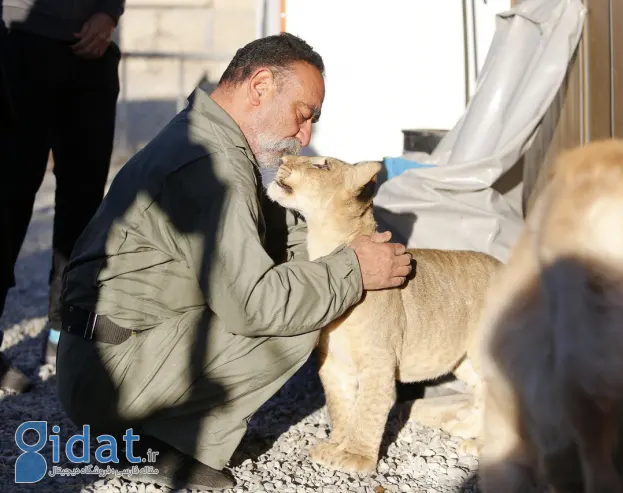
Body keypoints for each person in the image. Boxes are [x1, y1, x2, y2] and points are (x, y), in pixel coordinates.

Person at [55, 33, 413, 490]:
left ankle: (171, 427)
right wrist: (354, 270)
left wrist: (354, 239)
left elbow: (283, 238)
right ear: (260, 86)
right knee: (300, 307)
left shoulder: (204, 136)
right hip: (110, 379)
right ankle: (151, 436)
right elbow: (256, 305)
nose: (304, 137)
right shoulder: (213, 164)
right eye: (303, 116)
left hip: (101, 360)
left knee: (307, 281)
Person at [0, 0, 124, 392]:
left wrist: (109, 12)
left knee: (84, 201)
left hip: (92, 52)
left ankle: (63, 333)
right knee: (7, 198)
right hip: (17, 41)